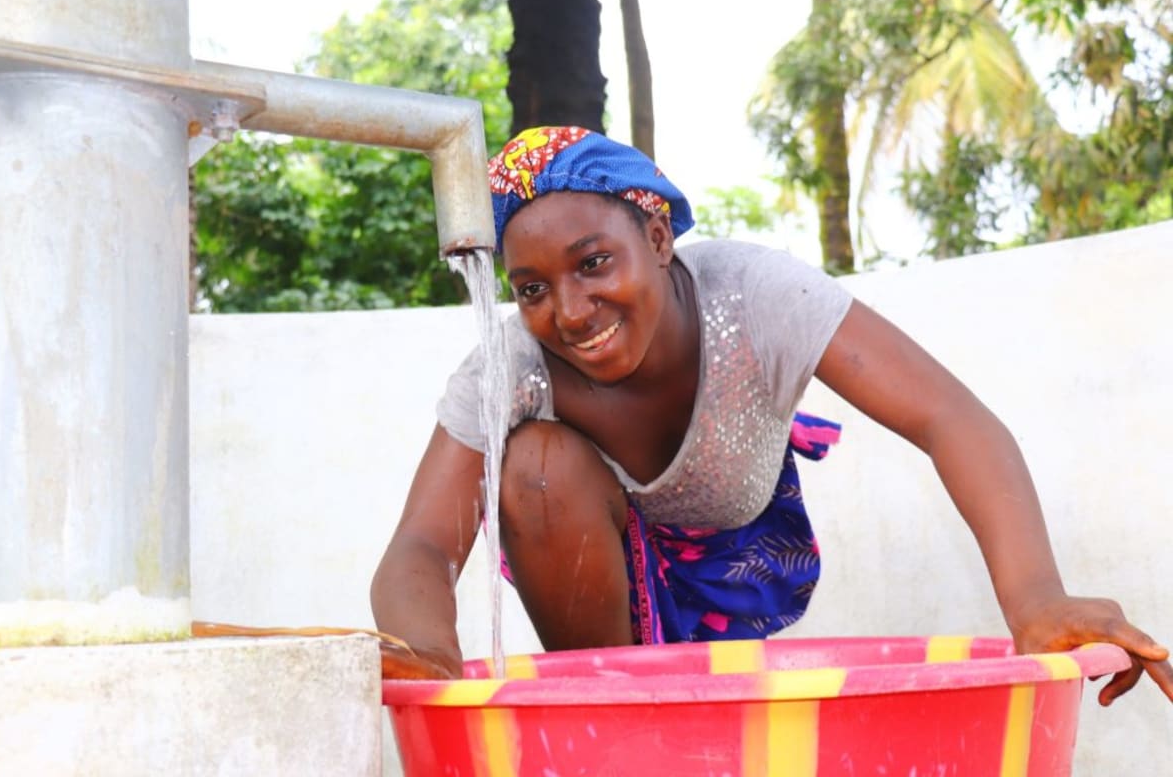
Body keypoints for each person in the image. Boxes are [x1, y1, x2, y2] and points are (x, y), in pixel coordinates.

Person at [371, 125, 1173, 706]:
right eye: (533, 289)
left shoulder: (756, 298)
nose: (571, 311)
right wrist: (427, 654)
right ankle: (613, 720)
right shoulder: (510, 364)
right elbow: (421, 542)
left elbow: (951, 418)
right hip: (590, 589)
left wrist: (1037, 602)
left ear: (657, 238)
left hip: (736, 566)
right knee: (535, 466)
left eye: (592, 264)